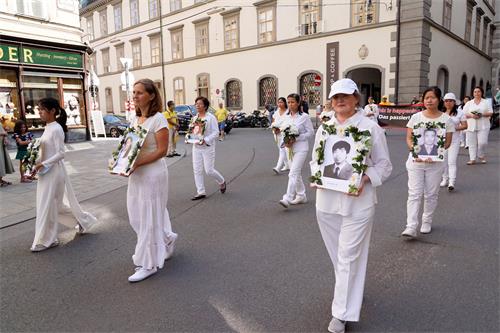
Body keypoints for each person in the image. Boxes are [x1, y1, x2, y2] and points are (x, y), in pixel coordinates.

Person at [311, 79, 392, 333]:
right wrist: (317, 177)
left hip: (359, 203)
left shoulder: (370, 128)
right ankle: (352, 290)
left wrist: (365, 179)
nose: (339, 101)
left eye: (345, 96)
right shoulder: (324, 128)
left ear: (357, 98)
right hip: (326, 202)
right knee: (339, 256)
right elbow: (315, 161)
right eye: (335, 97)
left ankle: (340, 315)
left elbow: (384, 166)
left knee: (347, 256)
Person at [126, 79, 178, 282]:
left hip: (152, 174)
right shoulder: (134, 119)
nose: (135, 96)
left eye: (139, 92)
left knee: (148, 217)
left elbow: (161, 151)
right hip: (137, 173)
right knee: (136, 216)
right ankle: (166, 237)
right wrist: (121, 161)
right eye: (134, 92)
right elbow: (130, 146)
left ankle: (148, 264)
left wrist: (137, 163)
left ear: (151, 95)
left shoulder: (159, 119)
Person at [31, 97, 97, 252]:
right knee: (54, 205)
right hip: (45, 173)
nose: (39, 112)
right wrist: (34, 162)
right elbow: (46, 151)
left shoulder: (57, 129)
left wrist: (43, 163)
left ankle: (48, 239)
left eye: (42, 109)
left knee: (48, 205)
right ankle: (84, 220)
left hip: (54, 173)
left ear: (52, 111)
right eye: (38, 110)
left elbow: (61, 154)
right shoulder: (48, 127)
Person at [401, 87, 454, 238]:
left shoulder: (446, 120)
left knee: (431, 194)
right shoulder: (416, 117)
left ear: (439, 100)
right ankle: (410, 226)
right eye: (426, 98)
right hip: (415, 162)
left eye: (432, 97)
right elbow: (409, 138)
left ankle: (427, 220)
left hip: (435, 164)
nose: (429, 100)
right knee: (414, 194)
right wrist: (416, 151)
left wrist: (434, 153)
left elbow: (448, 143)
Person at [279, 93, 314, 208]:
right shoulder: (286, 116)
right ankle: (301, 195)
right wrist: (284, 139)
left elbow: (311, 133)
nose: (290, 104)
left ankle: (287, 197)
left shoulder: (304, 117)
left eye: (292, 102)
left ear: (298, 103)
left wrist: (297, 138)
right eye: (288, 102)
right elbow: (283, 130)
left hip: (301, 148)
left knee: (293, 172)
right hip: (289, 148)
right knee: (296, 173)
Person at [190, 96, 226, 200]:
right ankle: (201, 191)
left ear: (205, 106)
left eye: (200, 103)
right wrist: (190, 138)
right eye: (196, 103)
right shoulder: (194, 118)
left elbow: (216, 132)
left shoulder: (211, 118)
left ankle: (221, 181)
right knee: (197, 170)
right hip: (196, 146)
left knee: (209, 170)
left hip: (207, 147)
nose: (197, 105)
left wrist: (206, 140)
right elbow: (193, 131)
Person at [440, 93, 467, 191]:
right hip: (442, 141)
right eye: (446, 101)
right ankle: (444, 179)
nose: (448, 103)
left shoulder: (460, 112)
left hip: (454, 140)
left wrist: (454, 128)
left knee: (451, 161)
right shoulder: (440, 112)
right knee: (443, 161)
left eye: (450, 101)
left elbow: (465, 125)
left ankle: (452, 182)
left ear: (454, 102)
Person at [463, 86, 493, 165]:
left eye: (478, 91)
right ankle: (472, 159)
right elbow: (464, 113)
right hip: (471, 125)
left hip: (483, 125)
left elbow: (490, 112)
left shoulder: (486, 102)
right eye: (475, 92)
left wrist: (482, 114)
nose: (477, 93)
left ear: (482, 93)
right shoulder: (469, 103)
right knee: (471, 143)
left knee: (482, 142)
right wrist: (472, 116)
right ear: (473, 93)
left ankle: (481, 155)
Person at [272, 97, 290, 174]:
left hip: (285, 133)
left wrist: (281, 129)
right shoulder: (276, 112)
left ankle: (278, 167)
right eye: (278, 102)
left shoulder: (288, 112)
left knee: (282, 149)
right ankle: (287, 165)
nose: (280, 104)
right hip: (276, 134)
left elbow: (289, 123)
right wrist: (274, 129)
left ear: (285, 103)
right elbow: (273, 121)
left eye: (281, 102)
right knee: (281, 149)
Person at [0, 122, 14, 187]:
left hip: (1, 144)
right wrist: (4, 133)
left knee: (2, 161)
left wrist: (5, 135)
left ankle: (0, 180)